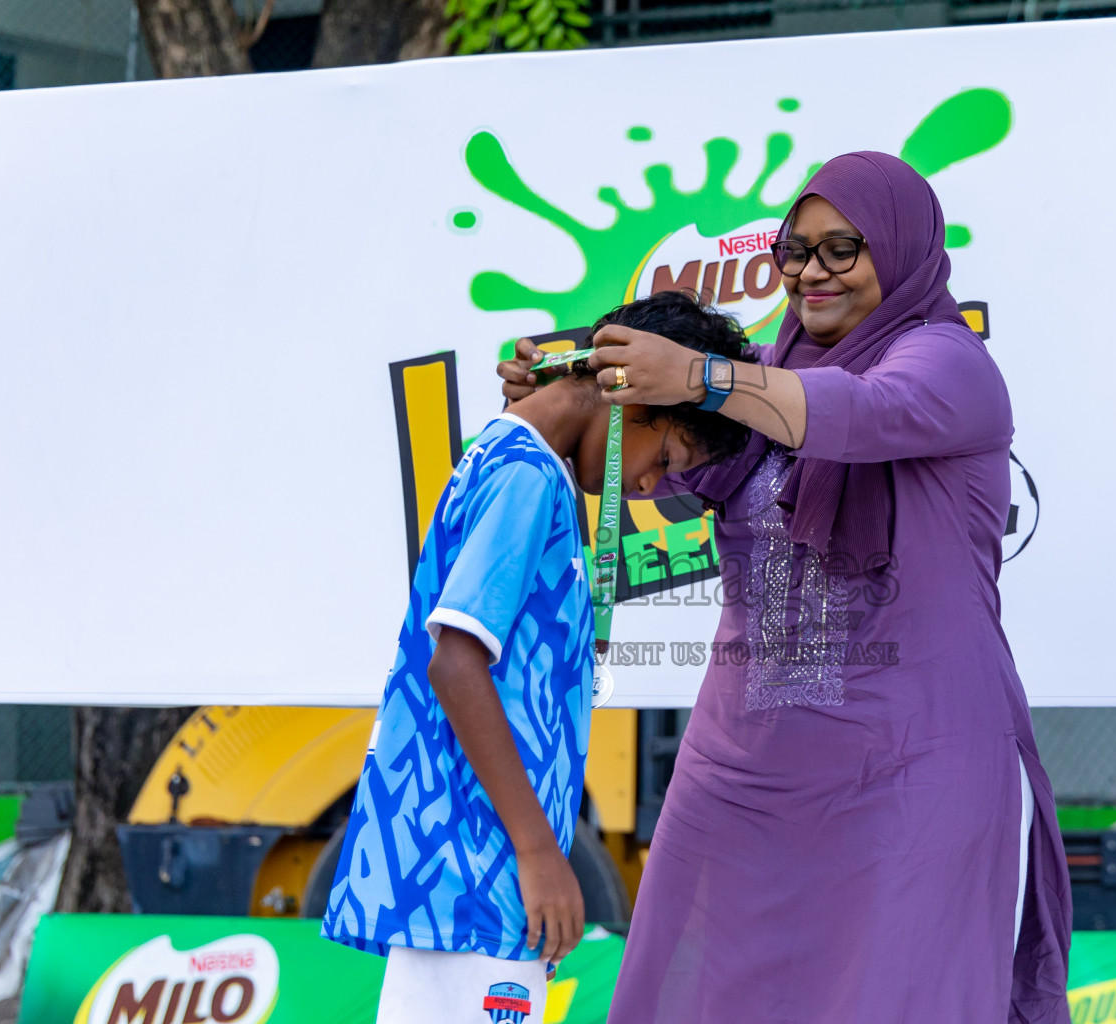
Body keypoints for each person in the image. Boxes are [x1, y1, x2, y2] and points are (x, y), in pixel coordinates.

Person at [500, 152, 1072, 1023]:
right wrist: (572, 392)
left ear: (905, 248)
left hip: (916, 768)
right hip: (746, 774)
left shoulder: (950, 366)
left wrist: (699, 378)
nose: (812, 273)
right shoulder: (760, 378)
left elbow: (856, 412)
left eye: (842, 249)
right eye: (793, 252)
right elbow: (660, 465)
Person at [322, 291, 756, 1024]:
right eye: (667, 456)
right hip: (478, 874)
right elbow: (455, 663)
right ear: (630, 398)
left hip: (479, 877)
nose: (653, 486)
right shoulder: (526, 476)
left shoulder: (527, 464)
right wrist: (538, 854)